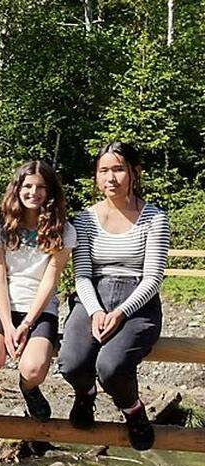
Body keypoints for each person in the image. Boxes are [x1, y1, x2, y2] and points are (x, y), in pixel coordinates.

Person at [60, 142, 169, 450]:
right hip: (93, 295)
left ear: (134, 173)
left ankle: (133, 411)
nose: (111, 178)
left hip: (138, 300)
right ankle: (85, 395)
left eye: (119, 169)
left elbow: (153, 277)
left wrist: (120, 312)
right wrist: (95, 311)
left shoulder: (154, 218)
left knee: (111, 367)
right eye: (103, 170)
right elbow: (81, 274)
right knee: (72, 363)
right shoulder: (85, 220)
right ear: (96, 176)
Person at [0, 161, 75, 422]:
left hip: (40, 309)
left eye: (41, 187)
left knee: (33, 368)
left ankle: (29, 389)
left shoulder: (64, 231)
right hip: (1, 305)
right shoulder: (1, 229)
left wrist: (27, 324)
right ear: (17, 189)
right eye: (27, 186)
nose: (33, 192)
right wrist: (8, 325)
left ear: (50, 191)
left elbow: (49, 281)